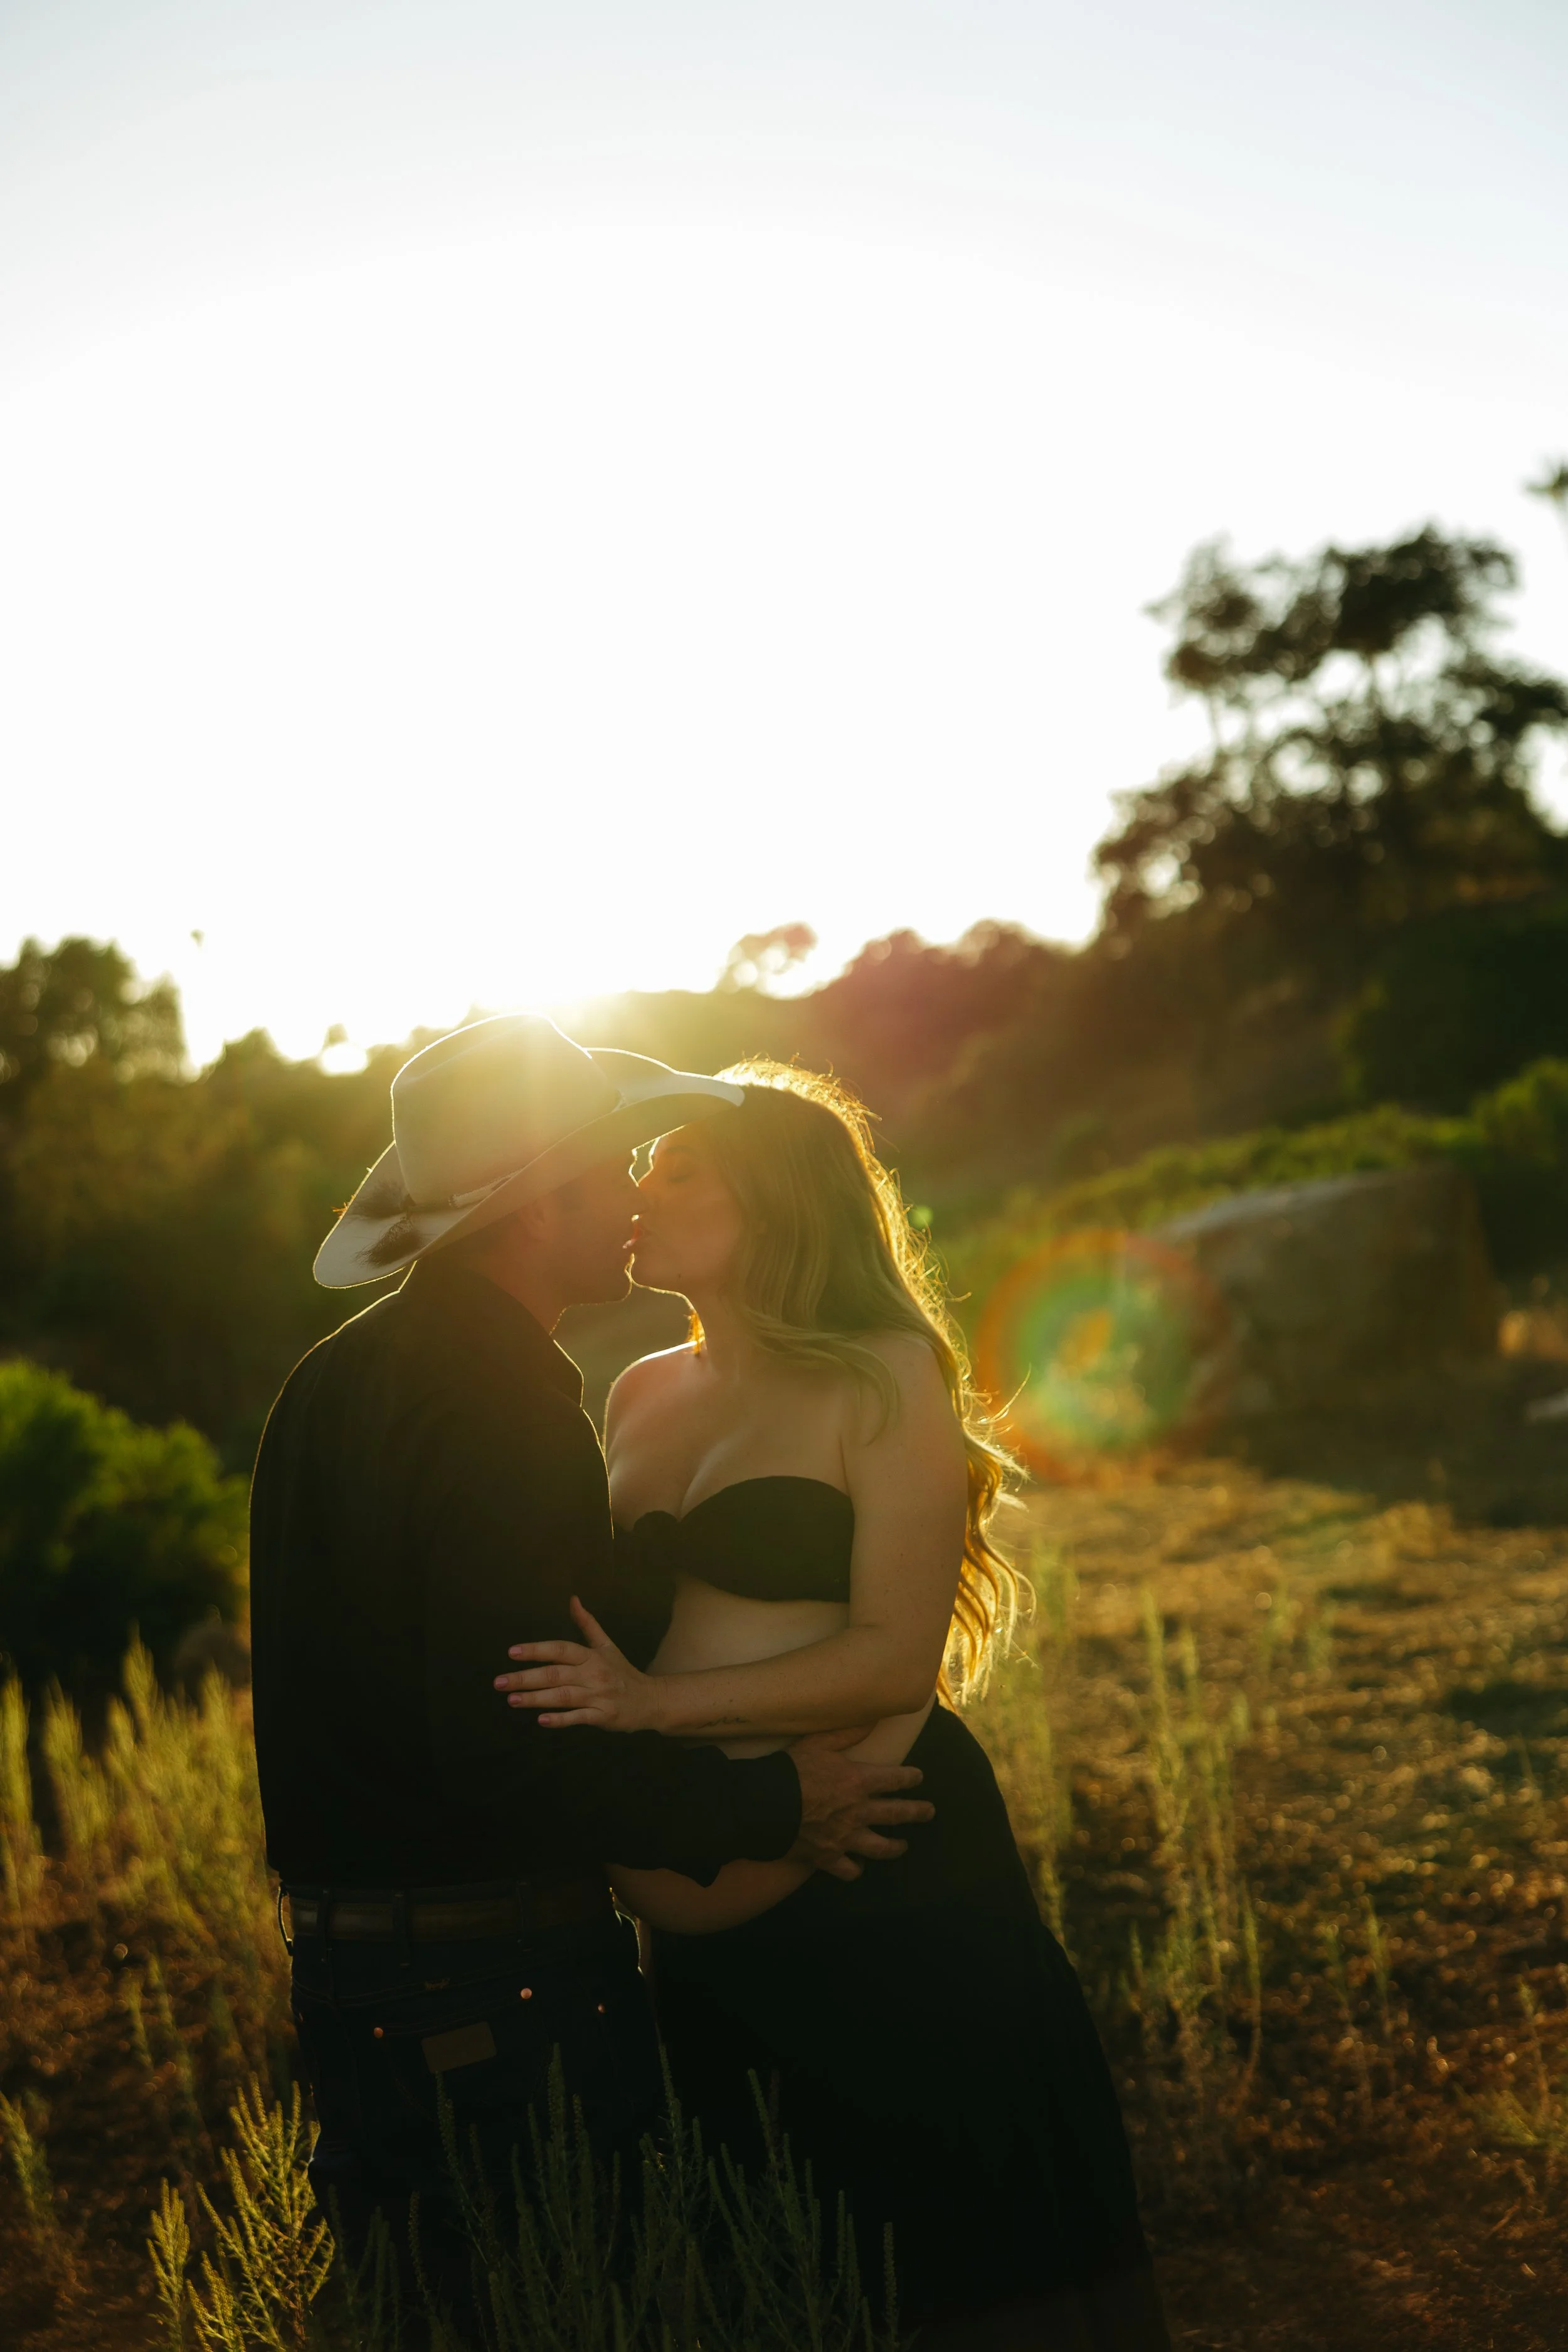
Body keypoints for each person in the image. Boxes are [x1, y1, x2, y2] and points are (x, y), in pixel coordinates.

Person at [247, 1015, 931, 2319]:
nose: (632, 1195)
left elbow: (441, 1659)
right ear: (528, 1210)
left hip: (346, 1975)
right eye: (610, 1171)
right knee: (565, 2304)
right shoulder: (506, 1406)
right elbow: (510, 1748)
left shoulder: (327, 1386)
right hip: (492, 1983)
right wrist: (777, 1807)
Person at [495, 1061, 1171, 2349]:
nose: (637, 1186)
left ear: (778, 1197)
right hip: (711, 1915)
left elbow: (888, 1659)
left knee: (953, 2267)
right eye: (639, 1165)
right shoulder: (635, 1392)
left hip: (888, 1877)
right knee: (789, 2269)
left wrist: (643, 1712)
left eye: (677, 1166)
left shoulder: (884, 1374)